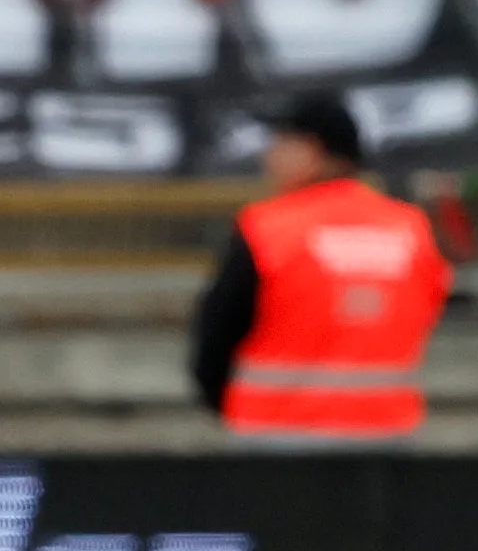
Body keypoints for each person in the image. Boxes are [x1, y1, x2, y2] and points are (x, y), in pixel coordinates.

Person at [190, 96, 455, 440]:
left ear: (315, 150)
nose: (268, 156)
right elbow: (431, 306)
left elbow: (216, 333)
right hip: (386, 432)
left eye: (282, 143)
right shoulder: (410, 229)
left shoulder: (266, 229)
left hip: (275, 433)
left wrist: (225, 403)